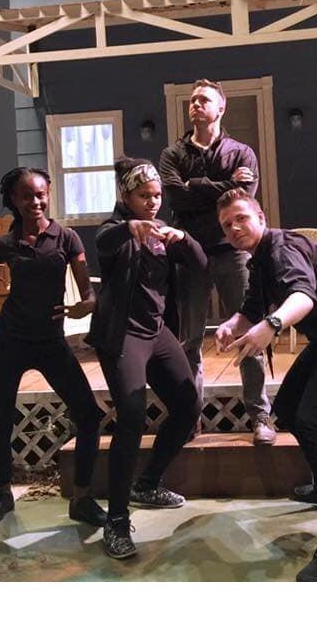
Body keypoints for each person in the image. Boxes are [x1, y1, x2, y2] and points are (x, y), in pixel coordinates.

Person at [215, 189, 317, 582]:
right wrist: (232, 324)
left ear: (260, 217)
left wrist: (271, 326)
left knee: (311, 422)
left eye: (241, 218)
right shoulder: (259, 260)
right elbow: (251, 309)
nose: (235, 228)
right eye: (227, 224)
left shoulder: (283, 248)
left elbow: (303, 296)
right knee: (288, 410)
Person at [0, 167, 105, 529]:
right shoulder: (5, 244)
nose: (35, 202)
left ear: (49, 193)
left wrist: (88, 304)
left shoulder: (67, 238)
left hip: (51, 341)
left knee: (89, 414)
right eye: (27, 196)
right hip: (10, 341)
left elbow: (88, 292)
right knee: (0, 417)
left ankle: (82, 498)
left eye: (40, 194)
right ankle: (3, 493)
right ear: (14, 200)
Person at [86, 156, 206, 559]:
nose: (153, 202)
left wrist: (182, 237)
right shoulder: (115, 228)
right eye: (143, 196)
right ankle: (117, 521)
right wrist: (128, 228)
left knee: (188, 405)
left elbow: (200, 264)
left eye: (156, 195)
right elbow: (104, 241)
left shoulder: (162, 231)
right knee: (133, 415)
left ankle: (148, 482)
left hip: (157, 332)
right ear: (127, 197)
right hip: (122, 334)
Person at [159, 78, 274, 444]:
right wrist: (223, 183)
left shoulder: (242, 152)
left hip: (232, 253)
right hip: (189, 255)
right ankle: (189, 417)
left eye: (204, 100)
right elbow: (177, 198)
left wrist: (195, 185)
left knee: (249, 333)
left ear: (221, 108)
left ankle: (260, 416)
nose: (196, 104)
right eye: (192, 99)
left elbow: (241, 201)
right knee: (188, 341)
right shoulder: (172, 154)